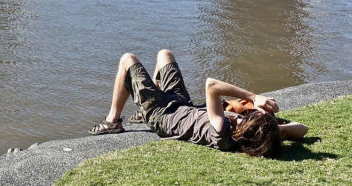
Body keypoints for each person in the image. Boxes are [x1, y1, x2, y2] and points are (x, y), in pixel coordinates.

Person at [89, 50, 308, 157]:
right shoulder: (253, 136)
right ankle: (142, 107)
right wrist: (277, 129)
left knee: (128, 60)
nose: (246, 115)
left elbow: (211, 85)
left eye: (248, 118)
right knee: (165, 54)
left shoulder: (222, 132)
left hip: (162, 115)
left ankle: (113, 121)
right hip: (181, 104)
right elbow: (302, 129)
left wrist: (254, 97)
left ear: (245, 129)